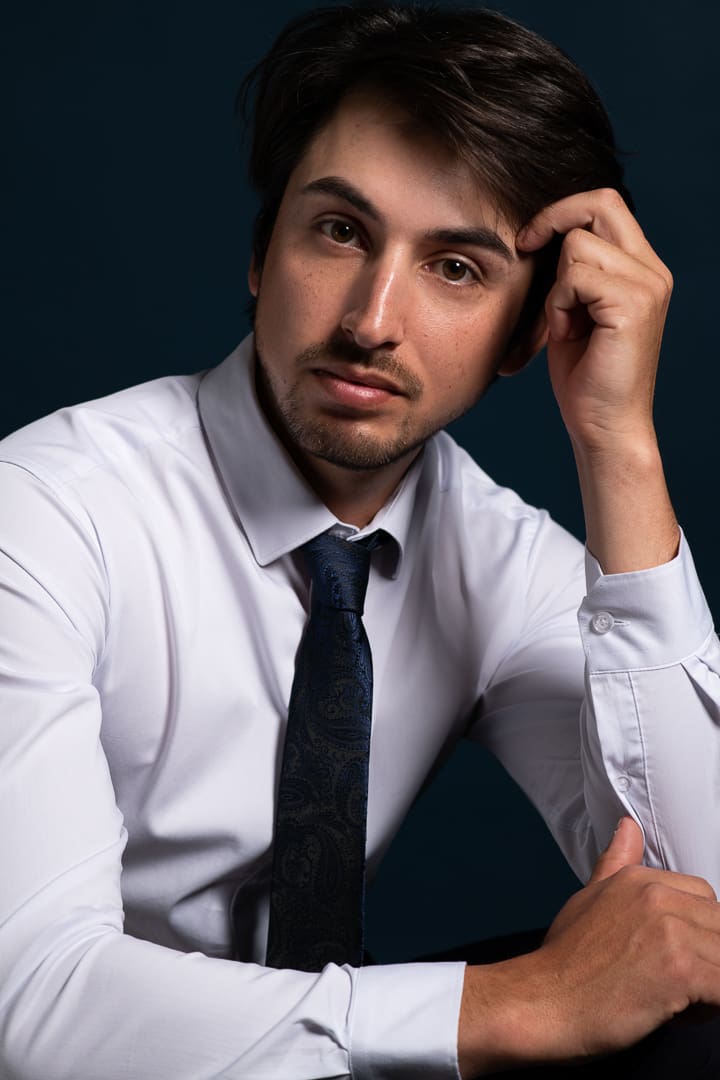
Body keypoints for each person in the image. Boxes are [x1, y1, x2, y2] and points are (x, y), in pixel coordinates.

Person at [1, 4, 719, 1078]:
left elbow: (697, 914)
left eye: (458, 269)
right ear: (263, 250)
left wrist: (618, 442)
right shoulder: (45, 513)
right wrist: (513, 1006)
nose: (373, 319)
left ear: (533, 332)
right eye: (340, 231)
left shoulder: (489, 554)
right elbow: (34, 1008)